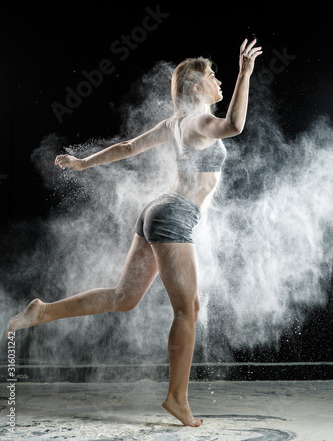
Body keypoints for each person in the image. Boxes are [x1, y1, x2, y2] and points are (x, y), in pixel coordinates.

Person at [7, 38, 262, 427]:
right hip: (173, 216)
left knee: (123, 298)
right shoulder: (198, 122)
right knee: (188, 310)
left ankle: (42, 312)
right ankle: (177, 399)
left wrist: (82, 163)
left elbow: (126, 148)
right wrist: (246, 73)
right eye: (213, 75)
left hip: (157, 211)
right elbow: (235, 124)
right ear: (197, 88)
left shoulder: (174, 124)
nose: (219, 81)